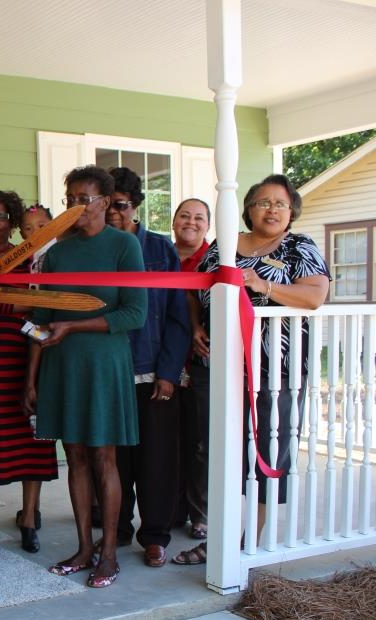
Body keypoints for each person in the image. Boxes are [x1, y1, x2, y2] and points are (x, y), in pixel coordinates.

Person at [174, 175, 330, 565]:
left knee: (265, 452)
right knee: (216, 450)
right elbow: (196, 289)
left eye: (280, 203)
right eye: (263, 202)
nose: (272, 209)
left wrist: (262, 285)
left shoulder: (299, 246)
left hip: (274, 372)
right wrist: (195, 326)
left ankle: (249, 540)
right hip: (217, 365)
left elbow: (315, 296)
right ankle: (220, 537)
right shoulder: (224, 245)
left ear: (291, 210)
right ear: (248, 209)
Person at [28, 165, 146, 589]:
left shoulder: (124, 245)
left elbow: (135, 313)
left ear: (104, 202)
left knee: (103, 457)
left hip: (104, 365)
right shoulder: (57, 253)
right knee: (75, 456)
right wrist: (30, 379)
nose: (75, 206)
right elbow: (41, 320)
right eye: (70, 199)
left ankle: (108, 553)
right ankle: (83, 548)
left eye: (84, 199)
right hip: (62, 365)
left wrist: (73, 326)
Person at [0, 191, 58, 555]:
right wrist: (11, 302)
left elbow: (38, 307)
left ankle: (29, 517)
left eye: (1, 216)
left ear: (11, 221)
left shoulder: (29, 259)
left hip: (26, 359)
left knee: (31, 442)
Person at [105, 167, 190, 568]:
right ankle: (116, 527)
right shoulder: (95, 248)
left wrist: (169, 372)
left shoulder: (160, 249)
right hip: (109, 371)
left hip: (153, 370)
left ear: (136, 205)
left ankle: (155, 535)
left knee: (157, 461)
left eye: (121, 205)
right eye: (106, 205)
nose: (113, 213)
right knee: (114, 458)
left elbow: (177, 315)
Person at [171, 198, 212, 540]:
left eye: (199, 218)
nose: (191, 222)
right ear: (173, 221)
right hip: (165, 361)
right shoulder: (161, 257)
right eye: (184, 215)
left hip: (201, 361)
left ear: (208, 226)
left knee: (201, 444)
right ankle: (173, 510)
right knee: (169, 442)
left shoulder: (214, 259)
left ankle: (201, 514)